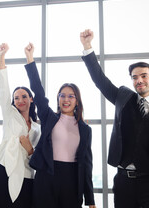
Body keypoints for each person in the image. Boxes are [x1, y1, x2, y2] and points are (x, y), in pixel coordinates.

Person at [79, 29, 149, 208]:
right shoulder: (123, 97)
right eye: (134, 77)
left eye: (144, 76)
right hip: (124, 183)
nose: (139, 80)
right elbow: (100, 80)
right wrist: (87, 46)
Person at [24, 43, 96, 208]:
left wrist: (90, 199)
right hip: (46, 176)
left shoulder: (85, 129)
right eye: (62, 95)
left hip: (72, 181)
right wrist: (30, 59)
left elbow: (86, 164)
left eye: (71, 96)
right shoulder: (49, 117)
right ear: (58, 98)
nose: (66, 99)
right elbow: (38, 91)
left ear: (77, 101)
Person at [0, 43, 41, 207]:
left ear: (31, 99)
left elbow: (38, 156)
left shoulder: (37, 127)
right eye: (16, 98)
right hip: (5, 171)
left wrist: (29, 149)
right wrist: (1, 56)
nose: (20, 100)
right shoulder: (9, 113)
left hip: (27, 175)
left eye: (24, 96)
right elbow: (3, 87)